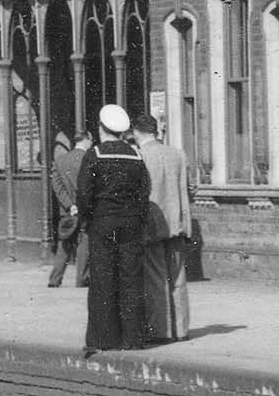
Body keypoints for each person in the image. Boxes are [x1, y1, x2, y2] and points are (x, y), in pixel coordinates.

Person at [76, 104, 149, 357]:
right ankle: (133, 337)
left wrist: (86, 219)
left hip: (103, 224)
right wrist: (137, 219)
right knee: (131, 278)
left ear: (100, 129)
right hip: (130, 224)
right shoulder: (136, 155)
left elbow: (84, 193)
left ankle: (102, 338)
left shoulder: (94, 154)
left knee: (102, 279)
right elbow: (144, 192)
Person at [131, 114, 192, 342]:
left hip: (152, 225)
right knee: (178, 276)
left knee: (156, 277)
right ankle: (182, 329)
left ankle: (161, 331)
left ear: (137, 132)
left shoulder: (140, 156)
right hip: (177, 223)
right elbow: (189, 188)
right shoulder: (177, 153)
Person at [49, 131, 92, 288]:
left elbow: (57, 186)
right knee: (84, 242)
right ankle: (82, 279)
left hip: (67, 211)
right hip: (85, 208)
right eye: (91, 140)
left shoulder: (61, 160)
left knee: (65, 243)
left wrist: (69, 205)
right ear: (86, 140)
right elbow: (89, 186)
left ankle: (55, 279)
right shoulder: (89, 159)